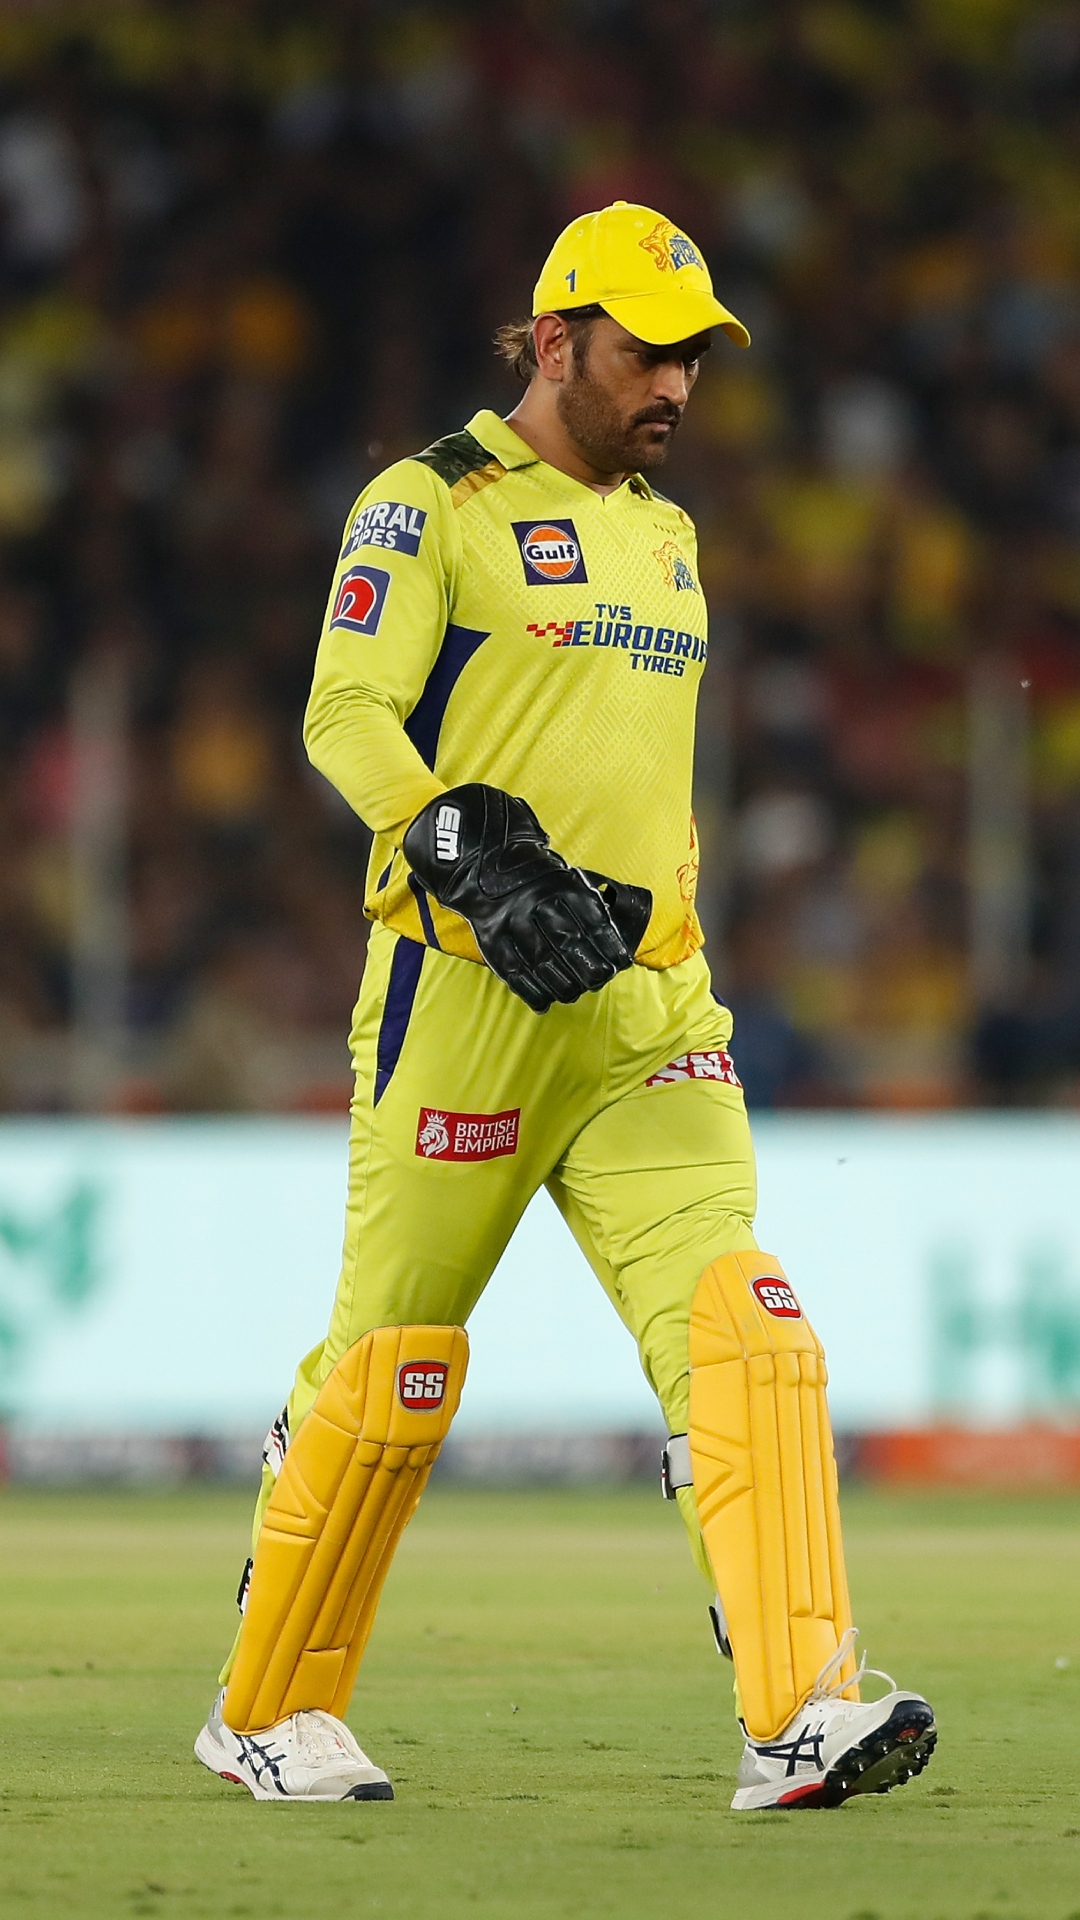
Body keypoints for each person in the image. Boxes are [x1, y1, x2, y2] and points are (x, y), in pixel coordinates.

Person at [194, 201, 936, 1810]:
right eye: (645, 351)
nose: (676, 383)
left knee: (748, 1332)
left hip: (650, 1011)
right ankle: (268, 1709)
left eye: (694, 356)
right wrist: (457, 845)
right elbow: (342, 713)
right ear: (552, 341)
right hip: (467, 999)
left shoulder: (670, 535)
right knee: (390, 1372)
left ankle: (801, 1714)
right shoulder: (429, 506)